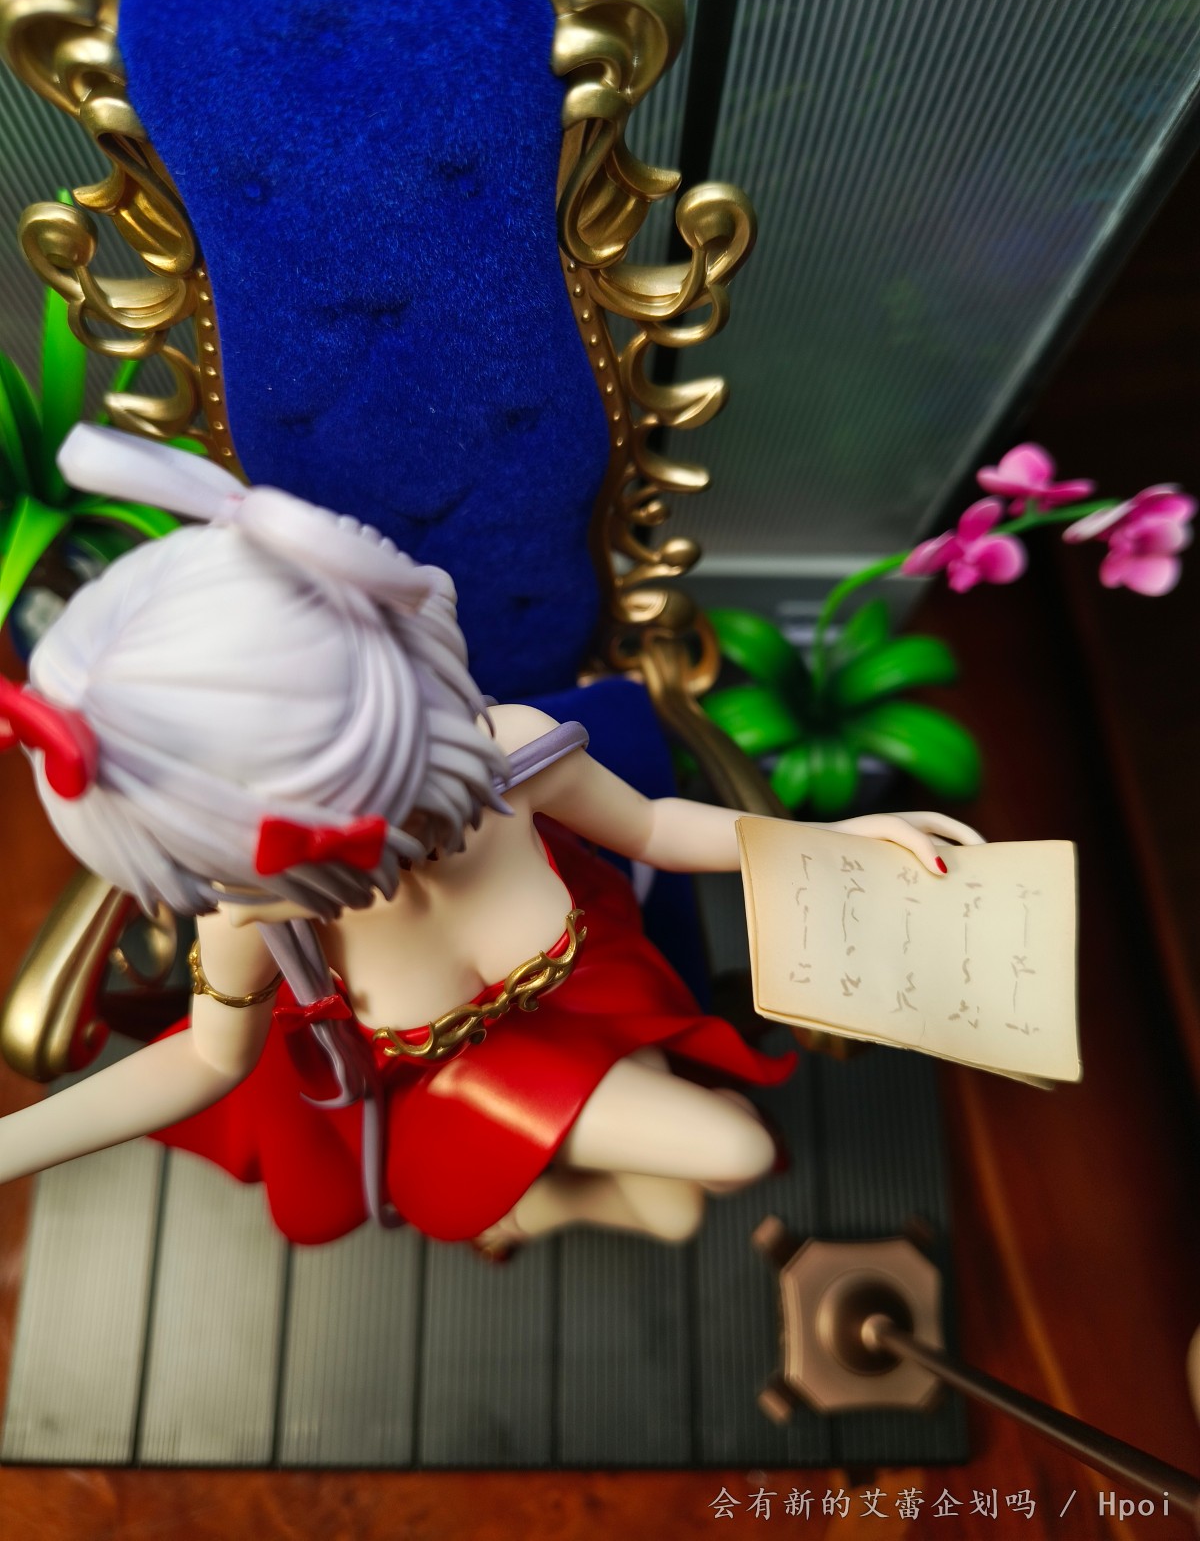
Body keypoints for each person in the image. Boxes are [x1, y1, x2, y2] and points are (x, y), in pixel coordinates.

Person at [0, 425, 978, 1252]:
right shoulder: (258, 916)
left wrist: (834, 842)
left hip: (590, 994)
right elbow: (207, 1062)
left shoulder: (510, 755)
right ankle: (508, 1199)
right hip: (450, 1087)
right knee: (732, 1154)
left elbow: (651, 825)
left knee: (680, 1210)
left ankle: (514, 1210)